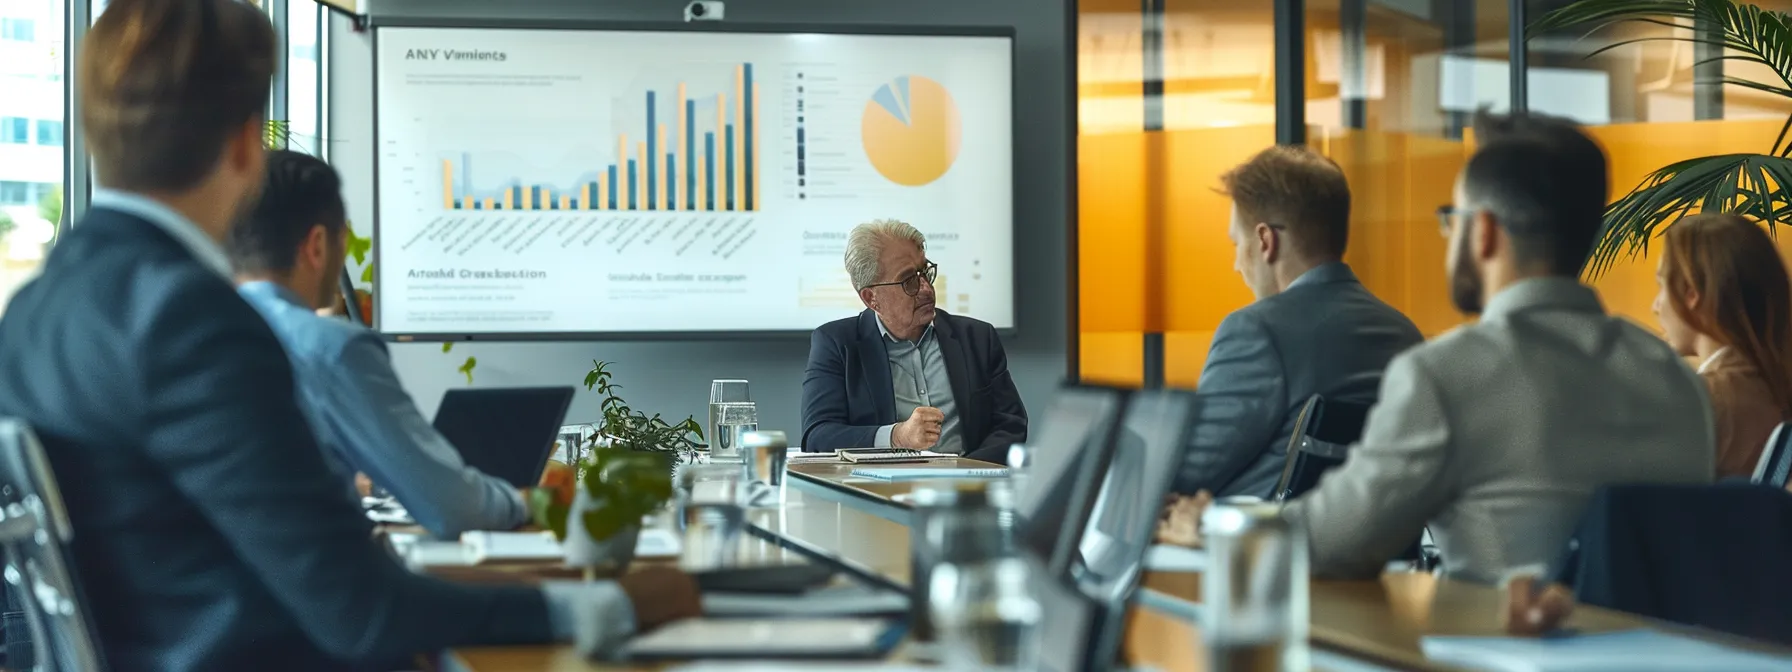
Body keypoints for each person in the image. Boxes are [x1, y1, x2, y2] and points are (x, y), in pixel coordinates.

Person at [0, 2, 696, 669]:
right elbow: (361, 613)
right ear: (246, 144)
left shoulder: (34, 311)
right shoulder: (193, 321)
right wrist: (600, 605)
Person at [1165, 111, 1714, 584]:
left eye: (1452, 220)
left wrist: (1209, 526)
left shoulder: (1450, 373)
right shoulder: (1677, 380)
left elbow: (1328, 544)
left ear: (1485, 233)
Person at [230, 149, 537, 538]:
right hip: (318, 591)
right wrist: (526, 501)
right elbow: (453, 507)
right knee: (596, 601)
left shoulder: (192, 333)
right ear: (318, 245)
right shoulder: (330, 349)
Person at [1174, 146, 1423, 497]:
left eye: (1236, 244)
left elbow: (1181, 473)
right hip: (1377, 549)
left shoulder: (1256, 333)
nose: (1235, 265)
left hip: (1257, 547)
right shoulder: (1405, 335)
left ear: (1265, 241)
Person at [801, 219, 1027, 462]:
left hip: (968, 487)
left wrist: (966, 473)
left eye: (925, 272)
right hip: (879, 490)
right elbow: (817, 436)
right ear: (871, 298)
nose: (927, 289)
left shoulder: (977, 338)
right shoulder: (837, 343)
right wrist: (897, 436)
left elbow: (1010, 426)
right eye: (909, 280)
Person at [1653, 212, 1792, 478]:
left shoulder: (1699, 401)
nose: (1655, 306)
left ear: (1691, 293)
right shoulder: (1775, 386)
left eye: (1661, 286)